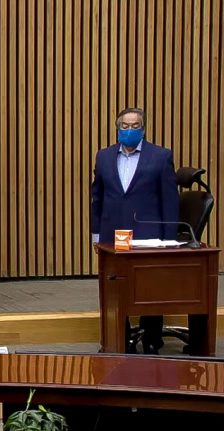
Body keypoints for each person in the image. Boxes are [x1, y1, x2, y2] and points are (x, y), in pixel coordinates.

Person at [90, 107, 180, 354]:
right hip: (114, 234)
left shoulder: (161, 156)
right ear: (118, 128)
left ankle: (152, 339)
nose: (130, 130)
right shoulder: (104, 156)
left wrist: (170, 240)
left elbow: (169, 201)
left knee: (150, 288)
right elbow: (97, 197)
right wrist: (96, 234)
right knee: (116, 288)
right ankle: (121, 338)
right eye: (125, 126)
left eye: (135, 125)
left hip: (149, 234)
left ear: (144, 128)